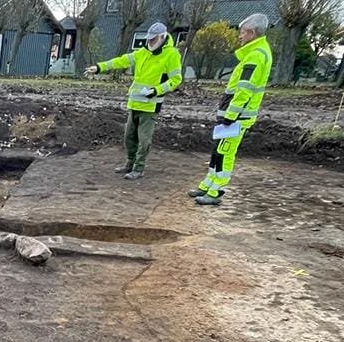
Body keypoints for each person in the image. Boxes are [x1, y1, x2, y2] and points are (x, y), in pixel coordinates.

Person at [191, 13, 273, 206]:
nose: (240, 36)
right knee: (217, 151)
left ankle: (216, 190)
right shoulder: (255, 53)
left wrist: (230, 115)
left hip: (237, 117)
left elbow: (244, 90)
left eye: (242, 32)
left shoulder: (256, 56)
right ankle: (208, 184)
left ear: (252, 33)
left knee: (225, 153)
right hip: (234, 115)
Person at [87, 21, 183, 180]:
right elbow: (121, 60)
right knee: (129, 137)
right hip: (135, 103)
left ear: (162, 37)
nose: (150, 42)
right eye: (149, 39)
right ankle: (129, 163)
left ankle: (138, 168)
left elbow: (176, 79)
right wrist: (99, 67)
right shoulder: (142, 53)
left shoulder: (172, 54)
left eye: (153, 39)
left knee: (144, 140)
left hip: (150, 105)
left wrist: (156, 91)